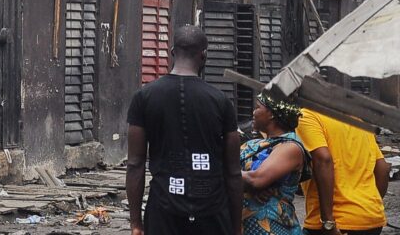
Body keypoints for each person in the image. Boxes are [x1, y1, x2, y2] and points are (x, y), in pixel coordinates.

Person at [126, 24, 242, 235]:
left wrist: (136, 223)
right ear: (204, 55)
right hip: (212, 212)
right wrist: (236, 227)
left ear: (172, 53)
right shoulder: (221, 101)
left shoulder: (144, 98)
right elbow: (233, 173)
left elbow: (135, 164)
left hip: (163, 209)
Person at [295, 108, 390, 235]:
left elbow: (323, 160)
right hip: (371, 217)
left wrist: (328, 222)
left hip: (336, 223)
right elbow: (382, 168)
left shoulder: (307, 116)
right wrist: (368, 205)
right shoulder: (357, 120)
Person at [240, 93, 310, 235]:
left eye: (257, 107)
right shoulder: (252, 144)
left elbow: (256, 179)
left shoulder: (290, 147)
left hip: (276, 228)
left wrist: (246, 181)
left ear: (271, 113)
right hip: (246, 227)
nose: (253, 112)